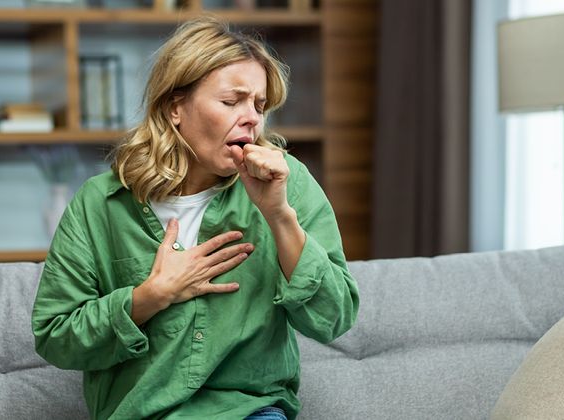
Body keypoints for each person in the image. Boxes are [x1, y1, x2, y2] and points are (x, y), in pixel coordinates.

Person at [31, 16, 359, 420]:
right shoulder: (99, 204)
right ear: (175, 108)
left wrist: (279, 216)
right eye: (231, 101)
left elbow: (334, 317)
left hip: (249, 412)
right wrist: (151, 297)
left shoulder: (287, 184)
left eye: (259, 105)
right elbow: (55, 337)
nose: (252, 118)